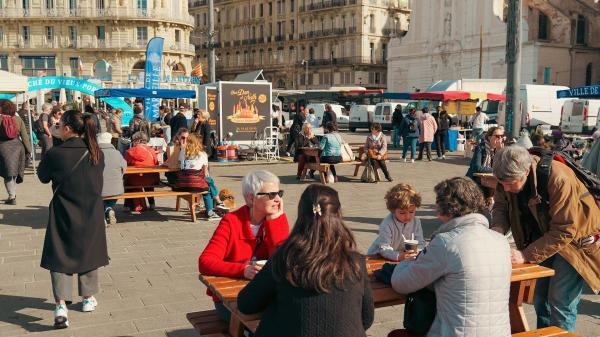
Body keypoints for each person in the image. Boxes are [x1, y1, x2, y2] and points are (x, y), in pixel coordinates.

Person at [237, 184, 374, 337]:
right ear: (338, 215)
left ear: (301, 215)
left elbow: (245, 304)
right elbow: (366, 318)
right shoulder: (355, 261)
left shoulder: (285, 257)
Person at [491, 145, 600, 332]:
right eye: (502, 183)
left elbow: (565, 230)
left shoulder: (558, 178)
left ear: (526, 172)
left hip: (575, 244)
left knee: (561, 301)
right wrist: (497, 229)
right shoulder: (505, 176)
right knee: (540, 298)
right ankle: (545, 334)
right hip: (542, 237)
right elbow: (501, 206)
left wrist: (525, 255)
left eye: (510, 182)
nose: (506, 187)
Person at [390, 177, 512, 337]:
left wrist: (407, 262)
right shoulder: (501, 242)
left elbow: (401, 283)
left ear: (442, 209)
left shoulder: (445, 243)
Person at [37, 110, 109, 329]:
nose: (56, 127)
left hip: (63, 211)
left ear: (68, 128)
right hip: (92, 210)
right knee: (89, 251)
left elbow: (42, 177)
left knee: (59, 254)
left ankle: (60, 306)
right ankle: (87, 298)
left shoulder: (55, 154)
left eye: (59, 125)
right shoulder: (96, 152)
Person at [198, 170, 290, 322]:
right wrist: (243, 270)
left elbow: (283, 263)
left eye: (279, 193)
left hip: (263, 294)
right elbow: (205, 262)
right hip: (229, 299)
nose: (278, 199)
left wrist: (274, 221)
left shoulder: (278, 220)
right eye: (271, 194)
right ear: (251, 198)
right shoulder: (231, 221)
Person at [367, 183, 424, 261]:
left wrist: (418, 251)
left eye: (411, 212)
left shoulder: (416, 222)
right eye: (402, 213)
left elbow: (420, 242)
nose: (407, 216)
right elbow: (384, 247)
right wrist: (398, 256)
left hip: (402, 257)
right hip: (378, 257)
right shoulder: (387, 224)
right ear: (393, 210)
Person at [175, 133, 221, 221]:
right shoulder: (202, 154)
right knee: (207, 188)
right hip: (197, 184)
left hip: (183, 185)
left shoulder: (183, 151)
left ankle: (216, 200)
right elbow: (206, 173)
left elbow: (180, 166)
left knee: (206, 183)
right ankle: (211, 210)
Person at [0, 100, 32, 205]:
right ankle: (12, 195)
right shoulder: (18, 119)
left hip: (3, 147)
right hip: (18, 147)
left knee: (7, 173)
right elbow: (25, 136)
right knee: (13, 173)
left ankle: (12, 196)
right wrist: (29, 150)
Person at [124, 131, 159, 213]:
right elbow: (156, 163)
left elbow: (125, 165)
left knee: (127, 180)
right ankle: (152, 203)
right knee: (148, 177)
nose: (132, 142)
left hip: (134, 180)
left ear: (138, 141)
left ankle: (127, 206)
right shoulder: (152, 151)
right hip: (150, 180)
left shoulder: (129, 152)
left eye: (133, 140)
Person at [97, 132, 126, 226]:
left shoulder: (94, 154)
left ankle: (102, 216)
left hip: (98, 189)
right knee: (111, 192)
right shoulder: (117, 153)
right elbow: (124, 169)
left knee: (99, 194)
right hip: (117, 189)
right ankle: (109, 208)